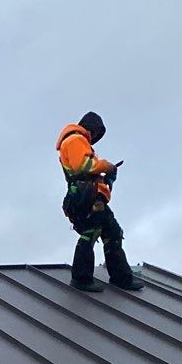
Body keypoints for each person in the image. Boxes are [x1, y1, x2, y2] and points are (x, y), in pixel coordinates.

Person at [56, 112, 142, 292]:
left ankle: (121, 277)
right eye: (96, 133)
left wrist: (105, 178)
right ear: (92, 129)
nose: (95, 138)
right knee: (91, 232)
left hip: (88, 195)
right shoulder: (74, 140)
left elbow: (86, 170)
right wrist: (106, 166)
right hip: (84, 197)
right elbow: (84, 166)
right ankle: (81, 278)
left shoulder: (78, 141)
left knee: (112, 231)